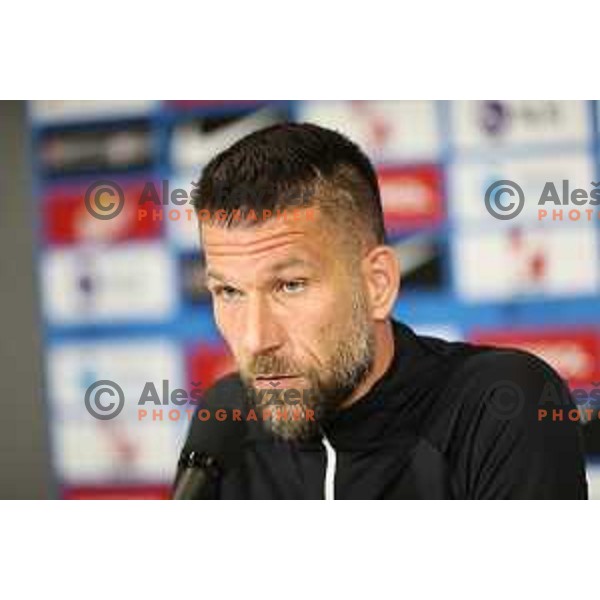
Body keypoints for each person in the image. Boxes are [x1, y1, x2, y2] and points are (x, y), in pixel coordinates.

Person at [178, 122, 588, 499]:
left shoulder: (498, 404)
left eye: (290, 285)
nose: (255, 339)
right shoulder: (226, 417)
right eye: (229, 291)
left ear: (377, 284)